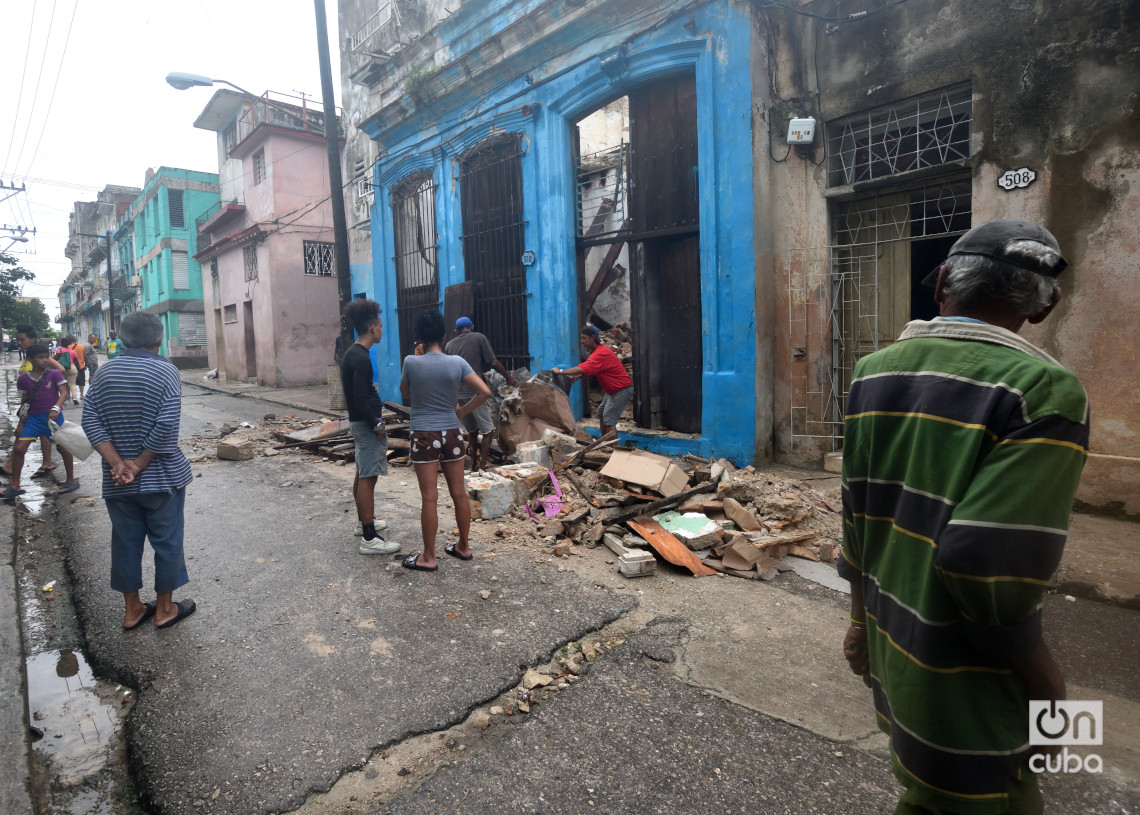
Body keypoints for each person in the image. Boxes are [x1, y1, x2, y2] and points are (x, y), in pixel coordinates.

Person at [838, 219, 1089, 815]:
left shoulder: (875, 370)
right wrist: (1050, 685)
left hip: (896, 645)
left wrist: (858, 623)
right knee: (995, 796)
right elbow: (986, 563)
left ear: (943, 282)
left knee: (930, 790)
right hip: (968, 672)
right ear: (1043, 308)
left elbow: (855, 514)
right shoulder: (1046, 389)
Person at [81, 311, 196, 630]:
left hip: (118, 483)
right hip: (162, 478)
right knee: (168, 541)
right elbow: (166, 425)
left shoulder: (104, 374)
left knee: (125, 542)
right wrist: (140, 462)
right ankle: (163, 609)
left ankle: (132, 610)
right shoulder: (166, 371)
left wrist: (119, 464)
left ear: (121, 339)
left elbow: (90, 422)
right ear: (158, 339)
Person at [399, 309, 491, 572]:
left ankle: (429, 557)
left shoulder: (410, 362)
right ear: (443, 335)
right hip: (452, 432)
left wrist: (417, 360)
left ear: (420, 338)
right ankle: (463, 546)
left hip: (424, 434)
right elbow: (484, 391)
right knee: (459, 492)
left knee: (429, 498)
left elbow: (406, 394)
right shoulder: (457, 363)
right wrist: (462, 411)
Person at [340, 299, 396, 555]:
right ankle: (369, 537)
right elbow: (361, 397)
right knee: (368, 477)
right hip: (365, 424)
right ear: (372, 327)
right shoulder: (361, 358)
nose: (383, 331)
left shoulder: (354, 353)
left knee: (362, 472)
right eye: (381, 327)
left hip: (359, 422)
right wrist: (376, 423)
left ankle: (364, 522)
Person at [3, 344, 80, 500]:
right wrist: (21, 421)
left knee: (63, 448)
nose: (45, 360)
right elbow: (25, 401)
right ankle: (15, 485)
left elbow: (64, 393)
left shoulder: (55, 374)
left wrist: (56, 408)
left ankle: (71, 479)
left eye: (47, 356)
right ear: (30, 359)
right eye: (41, 357)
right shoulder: (23, 379)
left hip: (53, 418)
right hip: (33, 419)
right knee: (19, 449)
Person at [443, 316, 517, 471]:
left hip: (458, 394)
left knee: (471, 430)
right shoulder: (479, 337)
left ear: (456, 330)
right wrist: (509, 377)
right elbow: (493, 362)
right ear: (472, 326)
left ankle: (474, 467)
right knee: (488, 430)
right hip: (475, 393)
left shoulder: (449, 345)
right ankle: (482, 468)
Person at [2, 325, 66, 480]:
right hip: (31, 405)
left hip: (44, 406)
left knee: (44, 436)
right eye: (18, 340)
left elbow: (60, 369)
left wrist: (47, 378)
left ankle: (44, 463)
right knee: (24, 435)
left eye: (22, 339)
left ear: (32, 339)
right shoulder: (29, 355)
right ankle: (18, 466)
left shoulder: (41, 355)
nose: (19, 342)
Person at [552, 323, 632, 439]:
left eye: (584, 338)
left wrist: (560, 372)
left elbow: (582, 368)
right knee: (601, 413)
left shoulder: (600, 352)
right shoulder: (597, 352)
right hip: (614, 391)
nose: (582, 341)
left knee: (609, 419)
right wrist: (580, 376)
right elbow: (592, 369)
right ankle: (605, 444)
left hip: (621, 390)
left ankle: (612, 450)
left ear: (592, 338)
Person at [66, 336, 88, 403]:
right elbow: (85, 357)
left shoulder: (67, 347)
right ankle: (81, 395)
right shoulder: (81, 347)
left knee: (69, 381)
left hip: (70, 367)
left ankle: (68, 395)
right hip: (80, 366)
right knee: (81, 381)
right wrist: (86, 365)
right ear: (75, 340)